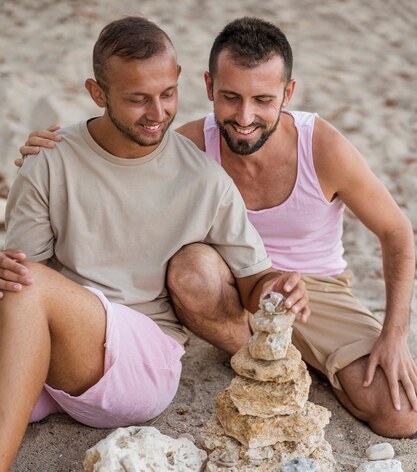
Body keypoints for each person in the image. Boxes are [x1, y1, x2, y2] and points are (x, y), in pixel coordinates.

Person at [10, 17, 417, 438]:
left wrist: (395, 334)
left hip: (311, 290)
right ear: (208, 88)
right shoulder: (186, 145)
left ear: (288, 93)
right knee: (193, 266)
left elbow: (397, 233)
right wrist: (47, 152)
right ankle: (264, 359)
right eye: (230, 97)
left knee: (400, 414)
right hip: (225, 293)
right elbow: (122, 141)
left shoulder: (322, 148)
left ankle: (294, 363)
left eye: (262, 99)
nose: (244, 116)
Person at [0, 16, 309, 472]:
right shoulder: (49, 161)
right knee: (20, 285)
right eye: (138, 97)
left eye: (168, 93)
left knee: (25, 284)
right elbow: (25, 277)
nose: (157, 111)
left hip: (141, 362)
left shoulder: (203, 180)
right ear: (97, 93)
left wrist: (279, 286)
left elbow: (253, 283)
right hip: (62, 352)